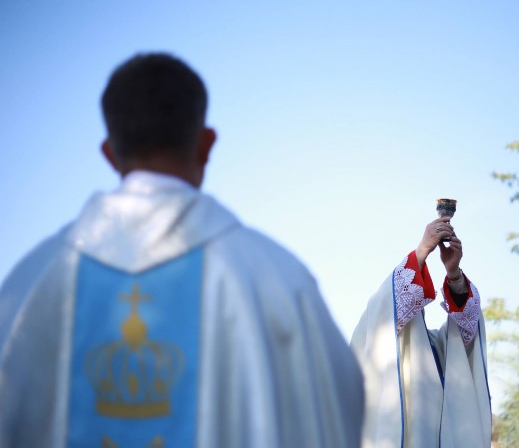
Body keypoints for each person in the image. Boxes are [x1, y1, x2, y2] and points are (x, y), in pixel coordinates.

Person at [0, 53, 364, 448]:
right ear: (206, 144)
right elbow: (335, 405)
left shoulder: (29, 288)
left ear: (109, 153)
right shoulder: (278, 280)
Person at [351, 217, 491, 448]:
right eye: (410, 288)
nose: (415, 297)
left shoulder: (436, 347)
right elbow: (386, 307)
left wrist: (454, 275)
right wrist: (422, 251)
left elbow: (466, 335)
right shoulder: (373, 333)